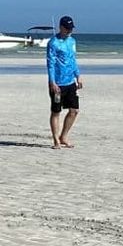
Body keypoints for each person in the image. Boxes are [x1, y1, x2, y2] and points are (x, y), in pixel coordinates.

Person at [46, 15, 82, 147]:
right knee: (56, 112)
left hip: (70, 82)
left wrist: (78, 76)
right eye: (67, 28)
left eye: (71, 28)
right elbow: (50, 63)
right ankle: (56, 140)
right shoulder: (53, 43)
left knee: (74, 110)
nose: (69, 31)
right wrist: (52, 82)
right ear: (61, 27)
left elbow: (73, 60)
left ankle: (63, 136)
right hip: (57, 83)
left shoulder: (72, 41)